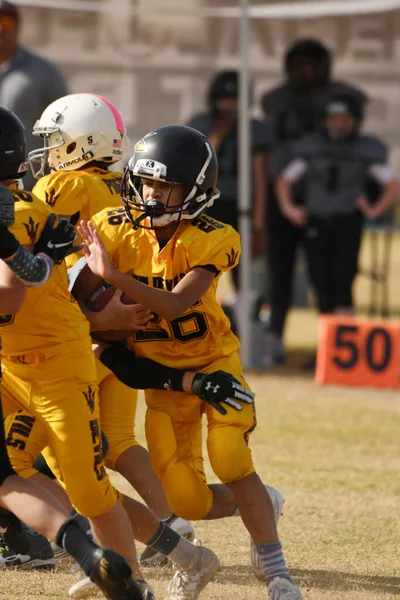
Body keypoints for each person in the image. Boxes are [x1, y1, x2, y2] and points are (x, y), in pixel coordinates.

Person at [74, 124, 304, 600]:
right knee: (187, 502)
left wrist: (113, 276)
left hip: (214, 364)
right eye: (146, 182)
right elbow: (76, 309)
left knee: (230, 455)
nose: (151, 193)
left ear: (194, 191)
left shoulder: (212, 237)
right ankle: (261, 503)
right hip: (165, 382)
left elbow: (176, 306)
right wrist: (101, 313)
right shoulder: (115, 229)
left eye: (165, 185)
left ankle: (278, 572)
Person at [28, 92, 194, 565]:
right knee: (117, 440)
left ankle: (37, 534)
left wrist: (96, 319)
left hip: (78, 331)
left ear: (83, 143)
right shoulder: (123, 190)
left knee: (40, 448)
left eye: (56, 139)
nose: (49, 150)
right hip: (124, 327)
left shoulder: (65, 185)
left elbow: (43, 262)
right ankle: (170, 524)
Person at [0, 109, 143, 599]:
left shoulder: (21, 212)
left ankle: (135, 581)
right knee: (8, 469)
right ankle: (86, 552)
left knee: (87, 487)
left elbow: (9, 294)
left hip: (55, 363)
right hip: (10, 365)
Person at [258, 39, 367, 366]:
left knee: (330, 278)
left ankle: (333, 348)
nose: (304, 72)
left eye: (310, 64)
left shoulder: (340, 98)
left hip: (324, 202)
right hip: (284, 199)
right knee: (279, 273)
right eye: (298, 65)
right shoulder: (274, 100)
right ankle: (274, 339)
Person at [276, 91, 398, 317]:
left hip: (346, 222)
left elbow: (391, 183)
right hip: (318, 221)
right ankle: (328, 343)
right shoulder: (312, 150)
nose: (338, 126)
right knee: (320, 283)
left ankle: (343, 340)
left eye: (344, 120)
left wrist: (375, 210)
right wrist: (289, 209)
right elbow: (285, 180)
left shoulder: (362, 151)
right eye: (332, 119)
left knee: (344, 280)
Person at [186, 71, 268, 328]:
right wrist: (219, 133)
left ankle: (245, 330)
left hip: (239, 208)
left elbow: (259, 176)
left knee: (245, 276)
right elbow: (196, 162)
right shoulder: (201, 123)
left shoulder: (253, 129)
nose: (229, 106)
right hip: (205, 206)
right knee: (197, 269)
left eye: (234, 100)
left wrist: (258, 223)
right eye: (224, 100)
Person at [0, 1, 68, 190]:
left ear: (18, 27)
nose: (0, 29)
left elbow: (65, 127)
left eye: (5, 23)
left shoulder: (43, 72)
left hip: (32, 190)